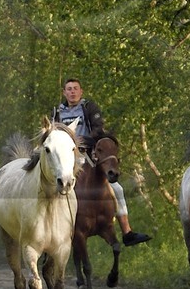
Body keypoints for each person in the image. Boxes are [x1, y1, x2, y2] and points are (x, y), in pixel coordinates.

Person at [54, 77, 150, 246]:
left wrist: (81, 140)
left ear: (81, 91)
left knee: (117, 188)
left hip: (88, 156)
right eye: (69, 89)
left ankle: (127, 232)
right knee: (52, 189)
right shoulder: (58, 112)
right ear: (64, 92)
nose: (72, 91)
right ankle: (49, 233)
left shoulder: (89, 107)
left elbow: (99, 129)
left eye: (75, 88)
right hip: (64, 159)